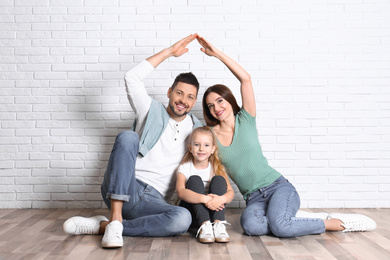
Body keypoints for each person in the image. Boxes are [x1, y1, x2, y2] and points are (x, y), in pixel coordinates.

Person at [198, 35, 377, 238]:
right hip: (253, 199)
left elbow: (245, 78)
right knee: (251, 227)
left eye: (220, 101)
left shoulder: (246, 119)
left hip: (278, 187)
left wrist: (217, 54)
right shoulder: (210, 137)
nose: (217, 108)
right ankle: (287, 217)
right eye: (211, 106)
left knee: (281, 227)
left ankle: (333, 223)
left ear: (230, 100)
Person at [63, 34, 203, 248]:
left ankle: (106, 226)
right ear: (169, 92)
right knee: (128, 136)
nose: (183, 100)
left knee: (183, 218)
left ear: (194, 102)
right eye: (179, 93)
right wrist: (169, 52)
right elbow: (132, 77)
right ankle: (116, 216)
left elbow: (223, 133)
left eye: (190, 97)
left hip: (153, 201)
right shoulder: (149, 109)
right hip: (124, 186)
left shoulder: (196, 128)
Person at [176, 126, 235, 243]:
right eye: (197, 145)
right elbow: (180, 191)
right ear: (190, 148)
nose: (201, 149)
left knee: (219, 179)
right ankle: (205, 226)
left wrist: (221, 199)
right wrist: (204, 199)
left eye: (206, 145)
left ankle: (218, 225)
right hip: (193, 215)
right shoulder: (185, 168)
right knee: (194, 179)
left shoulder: (216, 168)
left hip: (212, 211)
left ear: (213, 149)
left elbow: (230, 192)